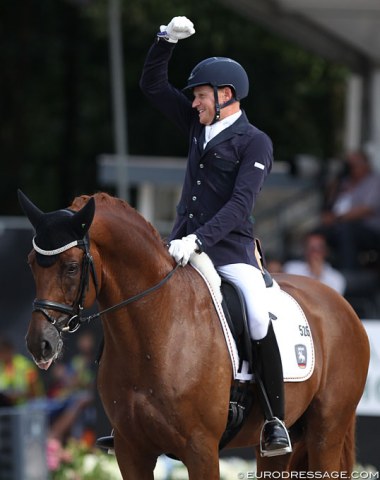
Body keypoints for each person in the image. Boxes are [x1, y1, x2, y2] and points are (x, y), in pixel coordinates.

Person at [320, 150, 380, 270]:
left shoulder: (374, 181)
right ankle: (318, 271)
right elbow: (331, 204)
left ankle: (348, 273)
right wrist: (336, 182)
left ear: (365, 164)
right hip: (341, 225)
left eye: (353, 165)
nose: (351, 168)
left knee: (347, 231)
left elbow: (367, 209)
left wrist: (336, 218)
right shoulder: (344, 181)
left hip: (368, 229)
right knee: (318, 232)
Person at [0, 336, 44, 407]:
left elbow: (34, 391)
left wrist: (18, 395)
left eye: (2, 352)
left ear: (9, 350)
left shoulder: (26, 366)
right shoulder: (1, 367)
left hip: (27, 408)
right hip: (5, 409)